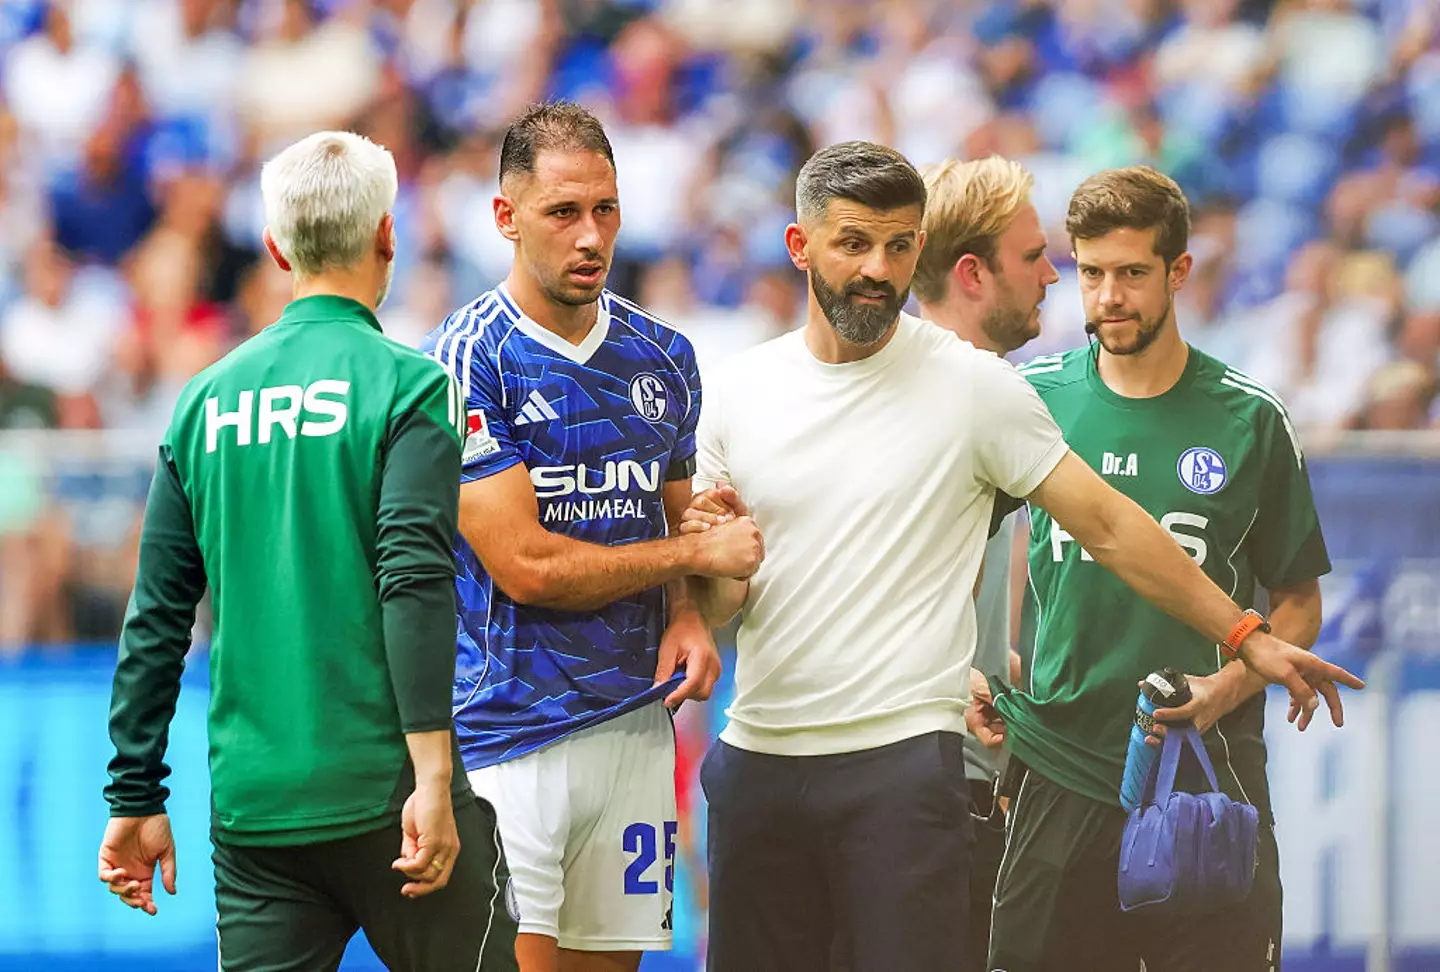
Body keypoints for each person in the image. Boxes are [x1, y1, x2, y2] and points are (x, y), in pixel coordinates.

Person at [679, 140, 1362, 972]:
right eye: (854, 244)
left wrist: (1244, 644)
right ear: (800, 246)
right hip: (796, 761)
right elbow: (729, 606)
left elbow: (1113, 527)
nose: (878, 269)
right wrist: (714, 567)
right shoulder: (741, 390)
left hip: (946, 768)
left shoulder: (985, 389)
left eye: (899, 247)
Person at [97, 130, 519, 972]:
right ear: (387, 236)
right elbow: (414, 581)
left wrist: (134, 793)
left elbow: (157, 617)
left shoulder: (203, 401)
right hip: (389, 795)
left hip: (256, 811)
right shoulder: (411, 385)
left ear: (275, 249)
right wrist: (433, 776)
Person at [421, 102, 762, 972]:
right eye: (563, 212)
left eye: (605, 210)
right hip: (507, 741)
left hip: (636, 730)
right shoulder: (464, 359)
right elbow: (527, 566)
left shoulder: (663, 357)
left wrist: (687, 613)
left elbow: (677, 512)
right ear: (505, 217)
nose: (590, 237)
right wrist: (691, 557)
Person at [988, 165, 1332, 972]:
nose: (1110, 296)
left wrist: (1225, 691)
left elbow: (1299, 605)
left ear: (1179, 272)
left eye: (1134, 273)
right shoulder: (1029, 398)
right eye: (1092, 273)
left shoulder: (1251, 418)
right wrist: (976, 665)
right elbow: (951, 547)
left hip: (1206, 775)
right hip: (1059, 765)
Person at [911, 154, 1059, 971]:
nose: (1052, 274)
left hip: (973, 778)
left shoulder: (990, 396)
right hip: (933, 785)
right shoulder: (945, 397)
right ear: (972, 272)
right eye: (1033, 257)